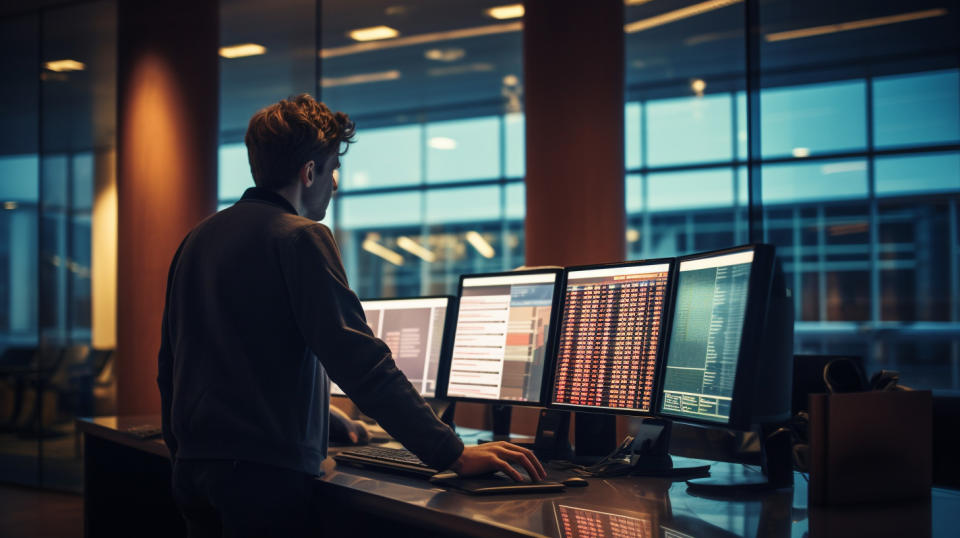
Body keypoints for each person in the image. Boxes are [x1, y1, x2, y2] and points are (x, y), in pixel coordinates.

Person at [157, 94, 545, 537]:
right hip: (262, 481)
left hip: (193, 471)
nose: (335, 185)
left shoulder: (197, 239)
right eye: (331, 170)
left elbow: (170, 364)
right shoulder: (301, 238)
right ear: (308, 172)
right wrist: (450, 453)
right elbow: (360, 362)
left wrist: (184, 452)